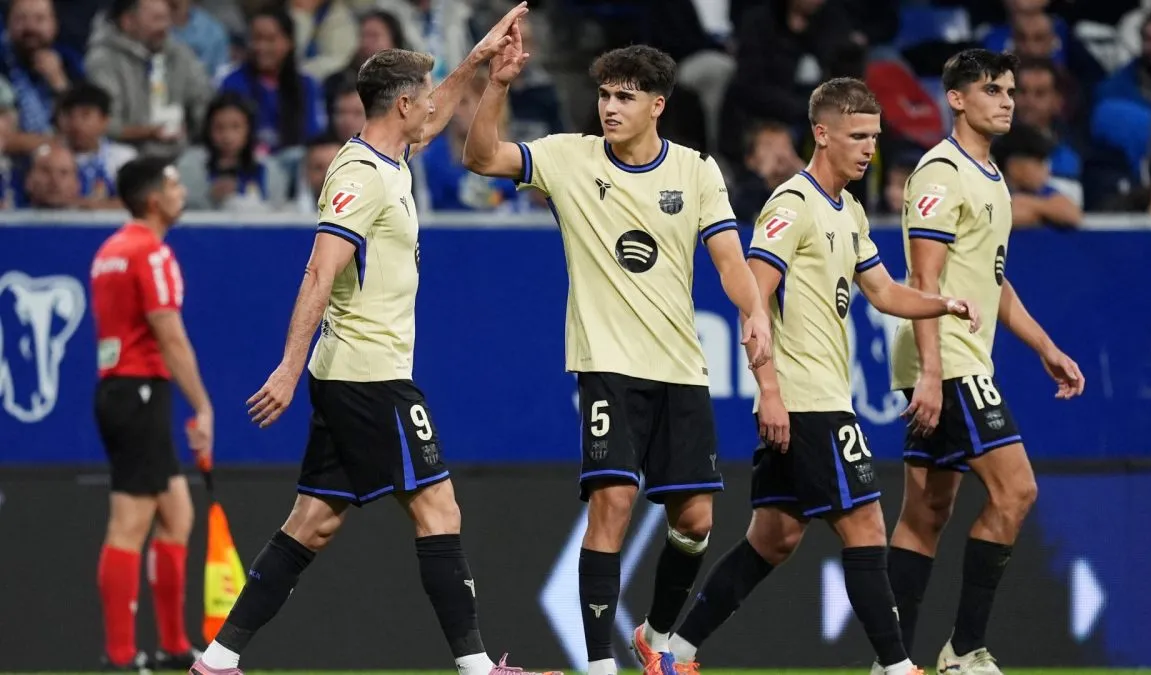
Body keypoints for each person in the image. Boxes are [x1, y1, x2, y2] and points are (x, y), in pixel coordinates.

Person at [187, 6, 561, 675]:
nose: (434, 106)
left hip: (351, 372)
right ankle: (477, 668)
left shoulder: (389, 157)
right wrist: (287, 367)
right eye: (425, 96)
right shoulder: (360, 177)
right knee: (439, 506)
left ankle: (215, 660)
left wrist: (478, 60)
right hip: (371, 377)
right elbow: (319, 271)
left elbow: (438, 115)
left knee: (313, 522)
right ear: (402, 105)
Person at [463, 36, 772, 675]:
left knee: (697, 520)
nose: (609, 107)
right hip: (606, 365)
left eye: (625, 97)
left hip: (680, 367)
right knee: (614, 502)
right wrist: (497, 84)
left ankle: (653, 636)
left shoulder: (696, 171)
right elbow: (482, 156)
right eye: (604, 95)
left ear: (657, 105)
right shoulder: (568, 158)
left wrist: (755, 311)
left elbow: (728, 261)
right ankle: (600, 665)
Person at [663, 78, 979, 675]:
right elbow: (753, 298)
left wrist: (943, 303)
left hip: (819, 396)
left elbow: (883, 292)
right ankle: (897, 668)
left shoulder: (850, 210)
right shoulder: (792, 204)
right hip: (807, 400)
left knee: (774, 538)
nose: (869, 148)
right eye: (857, 136)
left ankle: (673, 653)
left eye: (874, 137)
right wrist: (769, 391)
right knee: (866, 524)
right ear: (822, 134)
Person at [888, 48, 1086, 675]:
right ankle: (964, 650)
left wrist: (1045, 346)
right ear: (956, 98)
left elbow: (991, 281)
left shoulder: (991, 176)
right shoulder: (942, 172)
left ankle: (891, 663)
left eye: (1010, 91)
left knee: (926, 514)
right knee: (1016, 489)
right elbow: (924, 280)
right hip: (946, 359)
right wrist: (930, 374)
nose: (1007, 101)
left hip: (958, 357)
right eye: (992, 90)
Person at [90, 155, 214, 671]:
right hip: (138, 392)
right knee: (129, 523)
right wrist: (202, 405)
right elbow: (170, 335)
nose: (182, 191)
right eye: (173, 184)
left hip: (122, 392)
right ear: (152, 199)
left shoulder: (109, 252)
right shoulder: (152, 253)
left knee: (177, 514)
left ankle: (173, 647)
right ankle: (121, 657)